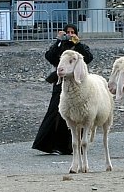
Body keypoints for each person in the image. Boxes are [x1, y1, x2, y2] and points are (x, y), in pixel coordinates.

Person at [32, 23, 93, 155]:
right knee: (55, 112)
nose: (70, 35)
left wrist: (78, 44)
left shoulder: (79, 47)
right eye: (68, 32)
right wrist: (58, 41)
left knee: (77, 114)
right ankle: (49, 144)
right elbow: (49, 56)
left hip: (77, 85)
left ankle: (72, 145)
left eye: (72, 32)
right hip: (61, 84)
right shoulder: (62, 47)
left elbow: (88, 58)